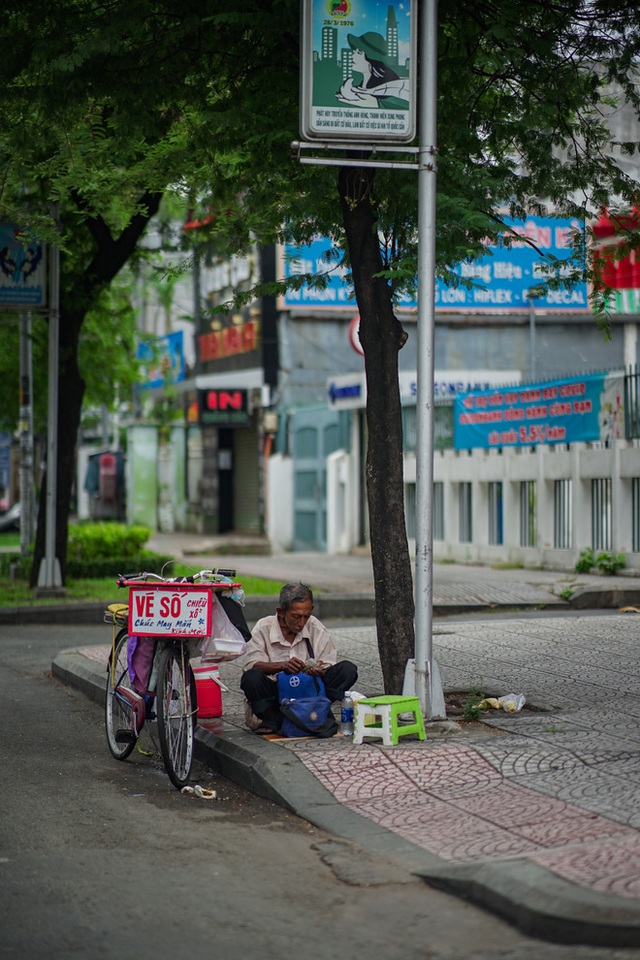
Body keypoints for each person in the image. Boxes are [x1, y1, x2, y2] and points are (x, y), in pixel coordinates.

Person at [241, 582, 358, 733]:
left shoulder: (315, 627)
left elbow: (329, 662)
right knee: (252, 678)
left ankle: (316, 710)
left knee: (347, 670)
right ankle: (272, 718)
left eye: (306, 616)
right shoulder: (264, 627)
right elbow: (252, 664)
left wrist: (321, 668)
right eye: (296, 616)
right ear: (281, 612)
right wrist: (284, 666)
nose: (301, 623)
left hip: (310, 691)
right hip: (277, 695)